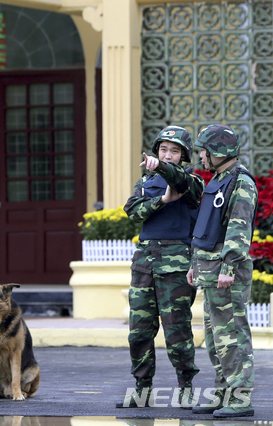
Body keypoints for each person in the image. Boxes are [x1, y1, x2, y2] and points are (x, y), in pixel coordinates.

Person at [117, 126, 204, 409]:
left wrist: (166, 171)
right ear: (156, 151)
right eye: (164, 149)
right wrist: (162, 200)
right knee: (139, 331)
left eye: (175, 151)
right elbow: (132, 210)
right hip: (144, 263)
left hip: (176, 265)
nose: (168, 154)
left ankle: (186, 386)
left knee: (177, 331)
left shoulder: (191, 181)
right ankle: (142, 388)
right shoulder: (145, 182)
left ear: (184, 156)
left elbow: (178, 180)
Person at [187, 124, 257, 418]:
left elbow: (238, 231)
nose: (201, 156)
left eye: (205, 151)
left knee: (233, 337)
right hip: (210, 272)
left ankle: (240, 399)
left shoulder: (241, 183)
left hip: (227, 275)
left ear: (218, 152)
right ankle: (222, 393)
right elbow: (206, 230)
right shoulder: (219, 179)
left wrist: (227, 268)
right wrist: (195, 265)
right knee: (216, 338)